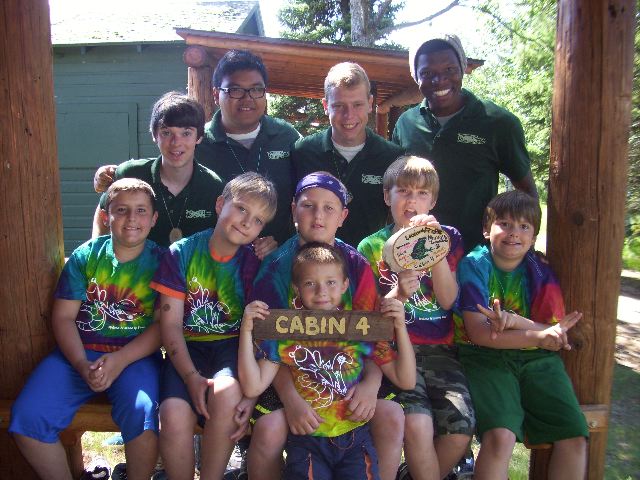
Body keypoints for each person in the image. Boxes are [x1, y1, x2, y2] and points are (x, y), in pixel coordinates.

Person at [247, 172, 406, 480]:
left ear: (342, 216)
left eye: (329, 208)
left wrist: (371, 385)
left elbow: (373, 338)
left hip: (350, 372)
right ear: (294, 210)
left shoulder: (355, 265)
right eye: (308, 206)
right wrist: (291, 400)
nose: (318, 216)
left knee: (391, 415)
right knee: (269, 429)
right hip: (291, 376)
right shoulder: (276, 269)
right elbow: (269, 349)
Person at [9, 178, 165, 480]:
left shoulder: (162, 262)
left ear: (154, 218)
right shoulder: (85, 257)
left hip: (134, 357)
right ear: (106, 216)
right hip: (78, 354)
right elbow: (63, 317)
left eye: (141, 210)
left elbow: (162, 326)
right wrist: (81, 364)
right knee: (28, 417)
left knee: (144, 414)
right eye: (121, 210)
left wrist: (120, 360)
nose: (131, 218)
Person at [150, 172, 277, 480]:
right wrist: (190, 376)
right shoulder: (182, 253)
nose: (247, 222)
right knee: (172, 415)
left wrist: (251, 395)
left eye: (258, 220)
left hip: (234, 348)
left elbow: (264, 333)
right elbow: (170, 325)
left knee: (228, 393)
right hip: (187, 349)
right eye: (241, 208)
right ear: (220, 205)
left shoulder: (256, 263)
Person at [456, 190, 588, 479]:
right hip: (485, 358)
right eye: (504, 223)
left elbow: (555, 331)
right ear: (486, 229)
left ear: (534, 235)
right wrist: (538, 335)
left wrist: (516, 322)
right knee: (500, 436)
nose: (514, 233)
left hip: (537, 359)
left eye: (524, 226)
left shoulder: (540, 270)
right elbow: (480, 333)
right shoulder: (474, 265)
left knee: (574, 436)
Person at [358, 156, 475, 480]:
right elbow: (368, 318)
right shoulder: (370, 247)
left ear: (432, 201)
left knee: (460, 430)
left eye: (422, 193)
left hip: (440, 351)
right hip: (395, 350)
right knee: (418, 425)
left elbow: (449, 300)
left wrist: (434, 248)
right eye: (404, 191)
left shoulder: (448, 237)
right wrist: (397, 293)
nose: (412, 201)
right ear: (387, 196)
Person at [392, 33, 538, 253]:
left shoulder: (498, 123)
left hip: (475, 256)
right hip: (415, 255)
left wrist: (527, 249)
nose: (439, 80)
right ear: (416, 77)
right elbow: (394, 188)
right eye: (427, 73)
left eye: (449, 69)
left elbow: (526, 192)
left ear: (462, 68)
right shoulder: (406, 124)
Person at [195, 49, 302, 245]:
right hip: (213, 258)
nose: (247, 98)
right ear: (216, 94)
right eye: (235, 90)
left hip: (278, 258)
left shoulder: (287, 137)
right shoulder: (198, 144)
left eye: (256, 89)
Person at [92, 91, 225, 249]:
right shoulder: (130, 174)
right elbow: (103, 213)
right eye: (166, 133)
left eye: (186, 133)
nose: (176, 142)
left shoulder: (214, 187)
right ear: (154, 135)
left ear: (199, 137)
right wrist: (98, 254)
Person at [292, 62, 404, 247]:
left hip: (370, 260)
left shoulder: (392, 157)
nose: (349, 115)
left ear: (370, 103)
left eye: (357, 104)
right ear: (326, 105)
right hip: (312, 259)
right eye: (339, 105)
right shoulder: (303, 152)